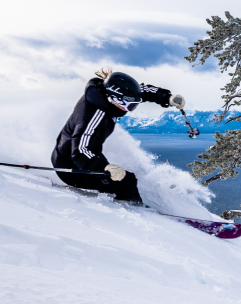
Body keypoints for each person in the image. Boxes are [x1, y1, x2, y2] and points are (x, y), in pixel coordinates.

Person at [52, 68, 185, 205]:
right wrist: (103, 167)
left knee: (120, 175)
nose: (130, 109)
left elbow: (140, 91)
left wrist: (167, 98)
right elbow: (80, 149)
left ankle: (121, 194)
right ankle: (135, 209)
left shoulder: (105, 96)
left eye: (134, 105)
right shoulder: (93, 115)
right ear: (114, 99)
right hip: (71, 167)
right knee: (127, 181)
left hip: (82, 156)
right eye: (129, 105)